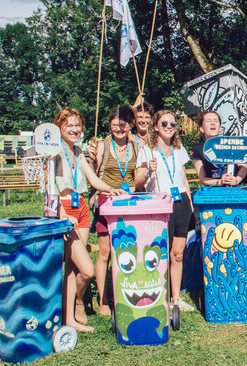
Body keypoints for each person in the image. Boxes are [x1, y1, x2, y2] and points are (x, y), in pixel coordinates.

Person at [52, 108, 126, 331]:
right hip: (65, 210)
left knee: (74, 269)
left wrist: (110, 189)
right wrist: (60, 214)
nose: (74, 129)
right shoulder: (54, 151)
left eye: (77, 125)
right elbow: (49, 187)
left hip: (81, 207)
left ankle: (71, 315)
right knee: (87, 270)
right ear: (59, 127)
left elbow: (92, 178)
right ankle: (74, 306)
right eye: (69, 125)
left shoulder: (77, 151)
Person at [134, 110, 196, 312]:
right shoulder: (147, 150)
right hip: (159, 203)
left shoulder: (179, 150)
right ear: (155, 127)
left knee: (177, 254)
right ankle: (159, 295)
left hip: (181, 203)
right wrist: (147, 171)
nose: (169, 127)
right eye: (164, 124)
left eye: (172, 124)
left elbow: (183, 177)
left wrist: (189, 200)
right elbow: (137, 183)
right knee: (158, 253)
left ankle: (176, 298)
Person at [90, 106, 140, 316]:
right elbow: (91, 176)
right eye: (116, 124)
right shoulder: (101, 145)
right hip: (106, 200)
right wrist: (91, 158)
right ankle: (103, 300)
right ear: (109, 124)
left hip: (130, 201)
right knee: (105, 252)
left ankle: (130, 291)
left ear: (130, 126)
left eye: (124, 124)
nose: (119, 128)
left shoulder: (136, 145)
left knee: (130, 249)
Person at [190, 110, 247, 186]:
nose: (212, 123)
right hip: (213, 192)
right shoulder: (197, 148)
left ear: (220, 128)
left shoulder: (231, 143)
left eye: (216, 121)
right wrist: (220, 182)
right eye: (208, 121)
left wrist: (236, 180)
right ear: (201, 128)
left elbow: (243, 167)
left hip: (234, 190)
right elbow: (202, 177)